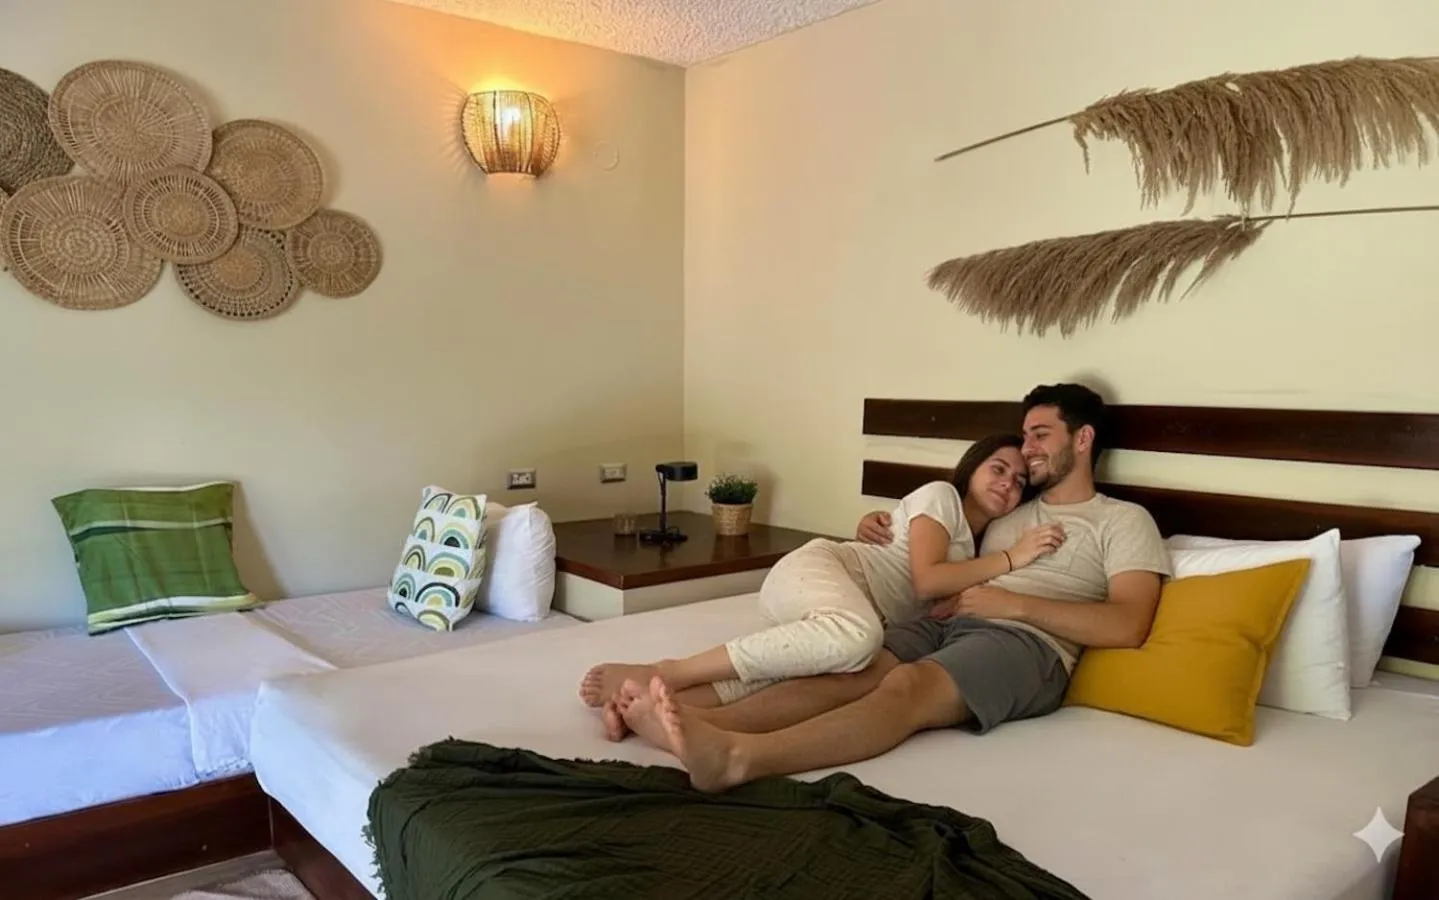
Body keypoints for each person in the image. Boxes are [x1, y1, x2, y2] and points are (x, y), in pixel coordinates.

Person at [617, 383, 1173, 793]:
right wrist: (877, 528)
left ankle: (742, 757)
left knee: (905, 685)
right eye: (1023, 436)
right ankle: (698, 728)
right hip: (952, 623)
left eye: (1039, 435)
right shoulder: (1002, 515)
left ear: (1083, 438)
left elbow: (1128, 623)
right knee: (847, 671)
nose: (1025, 450)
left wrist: (1014, 603)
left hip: (1027, 647)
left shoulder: (1123, 520)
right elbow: (934, 560)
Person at [579, 434, 1064, 737]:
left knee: (809, 665)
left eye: (1021, 481)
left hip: (841, 609)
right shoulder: (941, 498)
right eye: (998, 469)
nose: (1009, 483)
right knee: (856, 638)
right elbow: (925, 578)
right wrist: (1013, 557)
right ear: (971, 468)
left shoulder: (979, 549)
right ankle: (669, 669)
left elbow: (938, 597)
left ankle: (654, 704)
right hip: (821, 569)